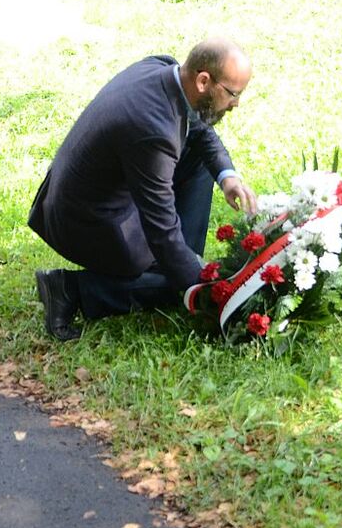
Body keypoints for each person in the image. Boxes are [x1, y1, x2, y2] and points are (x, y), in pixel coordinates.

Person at [29, 38, 257, 340]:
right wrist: (202, 292)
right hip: (87, 223)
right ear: (203, 80)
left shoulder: (164, 68)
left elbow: (199, 127)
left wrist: (227, 177)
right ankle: (71, 290)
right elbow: (161, 230)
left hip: (90, 194)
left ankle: (182, 267)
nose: (236, 104)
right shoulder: (153, 131)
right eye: (232, 94)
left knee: (200, 166)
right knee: (176, 277)